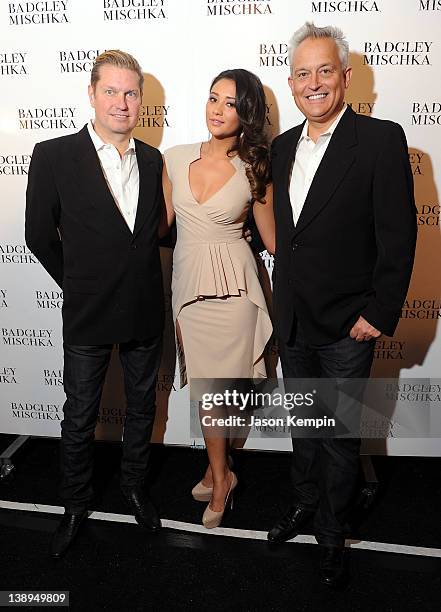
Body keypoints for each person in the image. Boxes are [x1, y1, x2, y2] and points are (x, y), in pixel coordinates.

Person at [268, 22, 417, 587]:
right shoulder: (283, 148)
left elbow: (399, 238)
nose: (313, 82)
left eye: (324, 70)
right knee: (305, 429)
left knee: (338, 435)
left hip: (348, 325)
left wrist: (378, 313)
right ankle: (305, 504)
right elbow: (290, 236)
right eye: (302, 73)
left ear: (346, 77)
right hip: (295, 322)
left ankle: (331, 536)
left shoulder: (380, 140)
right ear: (291, 82)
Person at [25, 50, 165, 558]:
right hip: (87, 311)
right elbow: (39, 235)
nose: (121, 103)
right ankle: (74, 504)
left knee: (142, 407)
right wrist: (82, 283)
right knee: (79, 414)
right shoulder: (54, 154)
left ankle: (133, 486)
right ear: (91, 94)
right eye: (111, 91)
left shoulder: (153, 160)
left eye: (131, 93)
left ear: (140, 101)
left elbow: (150, 238)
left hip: (146, 308)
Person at [161, 69, 274, 529]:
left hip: (236, 291)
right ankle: (216, 468)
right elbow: (159, 225)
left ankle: (221, 477)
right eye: (213, 98)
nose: (217, 109)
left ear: (246, 113)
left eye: (230, 103)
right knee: (210, 389)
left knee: (219, 390)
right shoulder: (172, 158)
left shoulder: (255, 167)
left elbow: (273, 240)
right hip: (190, 285)